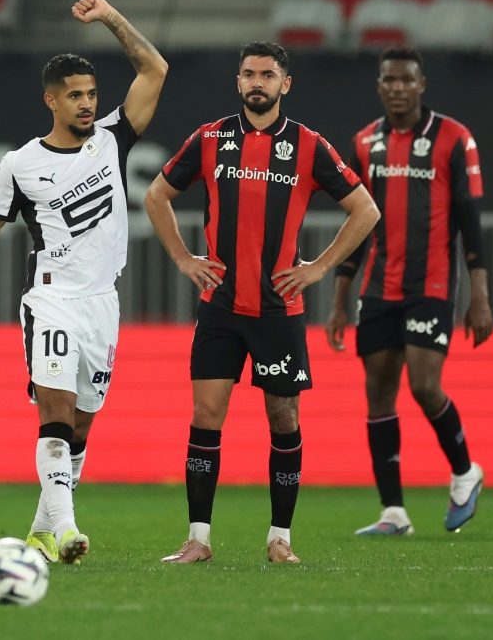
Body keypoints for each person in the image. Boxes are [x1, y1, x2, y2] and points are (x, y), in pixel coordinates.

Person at [0, 0, 167, 565]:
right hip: (52, 300)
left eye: (91, 94)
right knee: (54, 418)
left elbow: (154, 69)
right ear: (50, 100)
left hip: (102, 303)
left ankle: (41, 528)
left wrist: (111, 19)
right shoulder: (21, 164)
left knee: (81, 429)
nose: (86, 104)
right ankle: (66, 532)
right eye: (75, 95)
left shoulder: (114, 139)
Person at [146, 41, 380, 565]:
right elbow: (156, 196)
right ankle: (198, 541)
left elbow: (365, 209)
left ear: (285, 84)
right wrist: (185, 259)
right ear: (237, 81)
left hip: (279, 312)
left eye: (268, 75)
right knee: (206, 416)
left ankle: (280, 539)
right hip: (220, 308)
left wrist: (317, 267)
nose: (258, 82)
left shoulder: (309, 145)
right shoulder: (209, 138)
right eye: (249, 73)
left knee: (284, 420)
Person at [326, 46, 493, 536]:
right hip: (378, 288)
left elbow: (471, 222)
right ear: (379, 86)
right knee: (378, 394)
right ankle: (393, 511)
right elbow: (357, 226)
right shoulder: (364, 143)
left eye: (406, 80)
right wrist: (340, 299)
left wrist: (478, 296)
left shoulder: (454, 138)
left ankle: (465, 472)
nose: (397, 88)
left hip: (432, 286)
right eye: (389, 80)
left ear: (421, 85)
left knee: (423, 385)